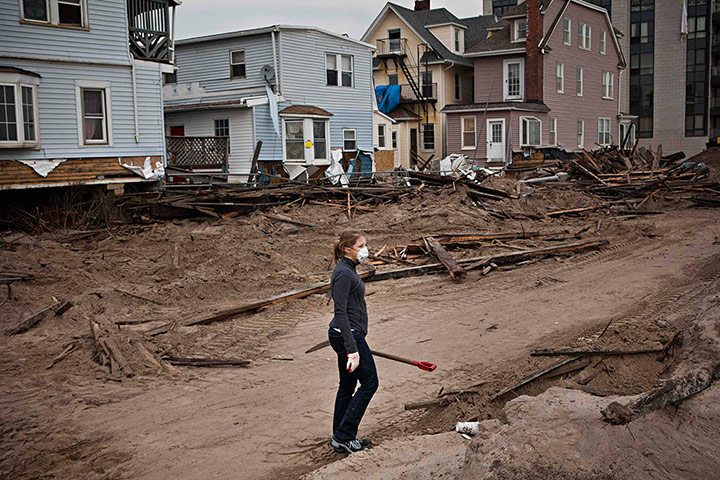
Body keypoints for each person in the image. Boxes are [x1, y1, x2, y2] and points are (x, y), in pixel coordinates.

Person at [328, 230, 379, 454]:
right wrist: (352, 349)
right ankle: (345, 435)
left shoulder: (348, 270)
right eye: (361, 246)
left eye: (365, 245)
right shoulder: (343, 274)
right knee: (370, 383)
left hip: (346, 334)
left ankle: (340, 436)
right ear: (348, 249)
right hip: (347, 335)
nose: (365, 250)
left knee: (347, 386)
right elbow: (340, 312)